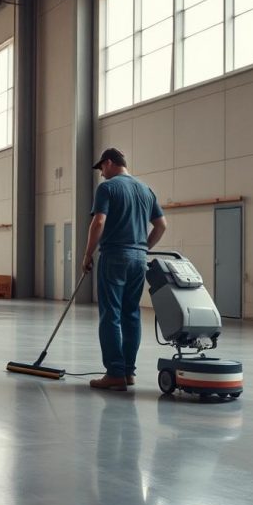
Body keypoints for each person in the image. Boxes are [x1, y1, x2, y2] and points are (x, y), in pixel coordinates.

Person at [81, 148, 167, 390]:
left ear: (109, 163)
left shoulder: (107, 189)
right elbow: (162, 225)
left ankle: (115, 373)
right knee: (131, 314)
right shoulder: (146, 190)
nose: (101, 174)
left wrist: (87, 254)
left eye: (101, 169)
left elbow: (99, 221)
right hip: (138, 260)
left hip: (114, 256)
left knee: (111, 315)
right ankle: (129, 372)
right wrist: (143, 248)